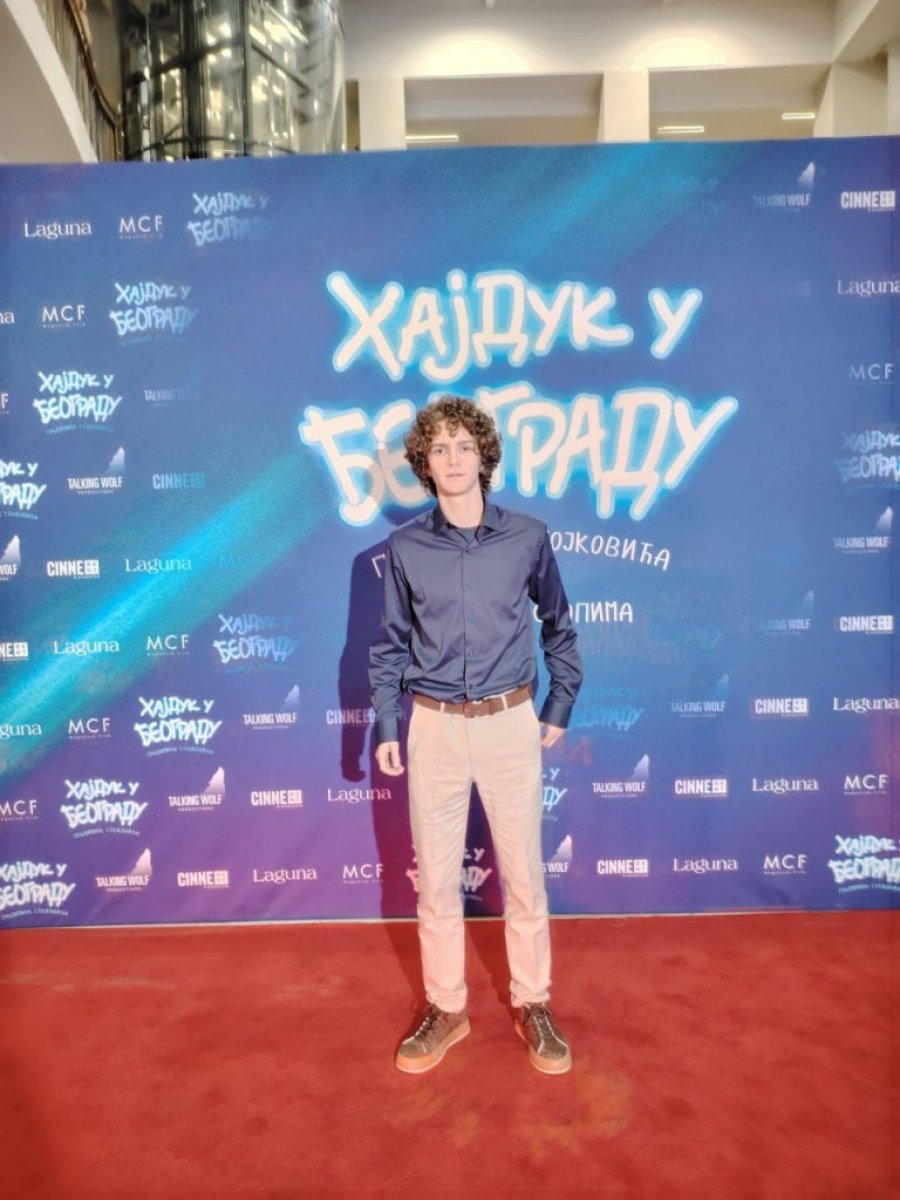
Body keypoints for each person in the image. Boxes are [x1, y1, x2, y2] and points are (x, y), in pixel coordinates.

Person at [369, 395, 582, 1076]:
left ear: (483, 455)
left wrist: (559, 703)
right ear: (424, 464)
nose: (453, 459)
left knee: (523, 878)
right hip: (432, 726)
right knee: (435, 883)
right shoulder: (406, 548)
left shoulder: (528, 537)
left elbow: (559, 625)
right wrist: (387, 721)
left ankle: (533, 1002)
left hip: (509, 724)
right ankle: (446, 1007)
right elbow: (390, 645)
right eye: (439, 449)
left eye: (464, 446)